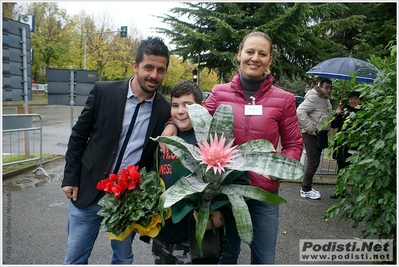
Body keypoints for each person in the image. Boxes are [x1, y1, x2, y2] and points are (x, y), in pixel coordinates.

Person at [163, 31, 303, 264]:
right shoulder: (220, 93)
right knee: (226, 255)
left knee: (264, 258)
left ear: (269, 60)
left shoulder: (284, 99)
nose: (255, 58)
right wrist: (170, 124)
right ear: (239, 55)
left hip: (262, 192)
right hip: (223, 192)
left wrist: (280, 170)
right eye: (250, 51)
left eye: (262, 53)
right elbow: (194, 119)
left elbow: (293, 143)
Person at [61, 36, 172, 265]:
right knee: (75, 257)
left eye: (161, 70)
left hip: (128, 197)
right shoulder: (104, 92)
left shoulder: (164, 109)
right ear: (135, 66)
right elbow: (79, 136)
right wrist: (70, 177)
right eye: (148, 67)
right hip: (89, 187)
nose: (154, 75)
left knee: (122, 258)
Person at [152, 80, 225, 264]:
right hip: (163, 237)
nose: (181, 111)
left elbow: (239, 183)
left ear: (202, 107)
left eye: (187, 105)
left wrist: (221, 217)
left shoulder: (210, 142)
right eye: (175, 105)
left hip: (195, 241)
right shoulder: (166, 139)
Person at [297, 78, 333, 200]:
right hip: (311, 134)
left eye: (330, 88)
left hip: (320, 135)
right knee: (313, 162)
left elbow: (323, 115)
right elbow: (300, 111)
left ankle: (307, 187)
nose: (328, 90)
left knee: (315, 161)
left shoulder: (325, 100)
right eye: (326, 87)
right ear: (320, 87)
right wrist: (310, 128)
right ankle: (305, 189)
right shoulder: (314, 97)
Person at [330, 91, 362, 199]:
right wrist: (337, 115)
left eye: (355, 99)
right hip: (342, 143)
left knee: (349, 168)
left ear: (360, 100)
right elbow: (334, 125)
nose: (352, 101)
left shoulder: (363, 112)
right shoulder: (343, 109)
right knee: (341, 166)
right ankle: (339, 190)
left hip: (354, 144)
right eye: (351, 98)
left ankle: (345, 188)